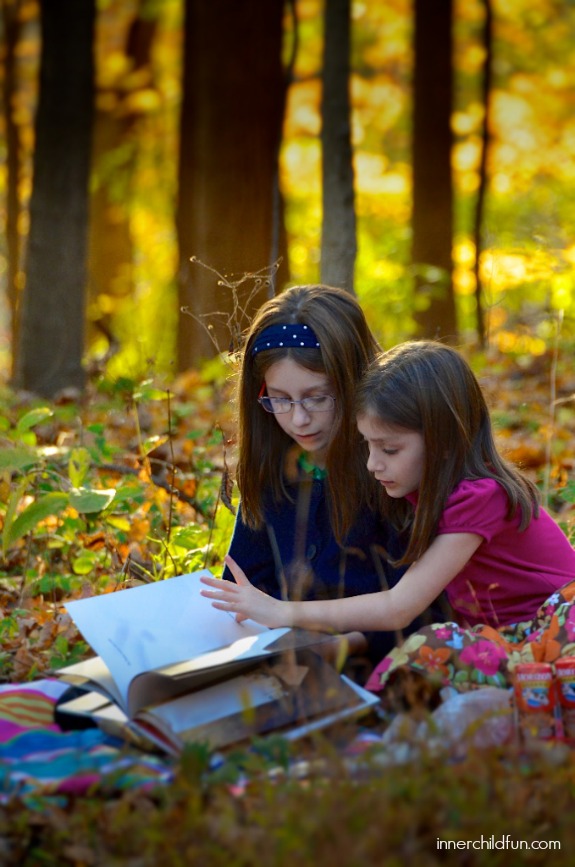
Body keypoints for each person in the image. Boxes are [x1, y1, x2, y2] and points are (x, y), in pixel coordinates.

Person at [203, 340, 575, 693]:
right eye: (367, 444)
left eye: (390, 449)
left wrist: (281, 611)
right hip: (504, 636)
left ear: (444, 442)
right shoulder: (424, 488)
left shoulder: (480, 497)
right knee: (425, 658)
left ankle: (374, 725)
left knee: (427, 648)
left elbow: (399, 607)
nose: (372, 463)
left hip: (553, 631)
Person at [220, 286, 440, 675]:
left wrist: (343, 645)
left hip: (385, 670)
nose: (299, 419)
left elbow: (422, 609)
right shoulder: (271, 470)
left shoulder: (392, 472)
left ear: (354, 384)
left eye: (317, 397)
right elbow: (246, 584)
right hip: (281, 665)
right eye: (280, 399)